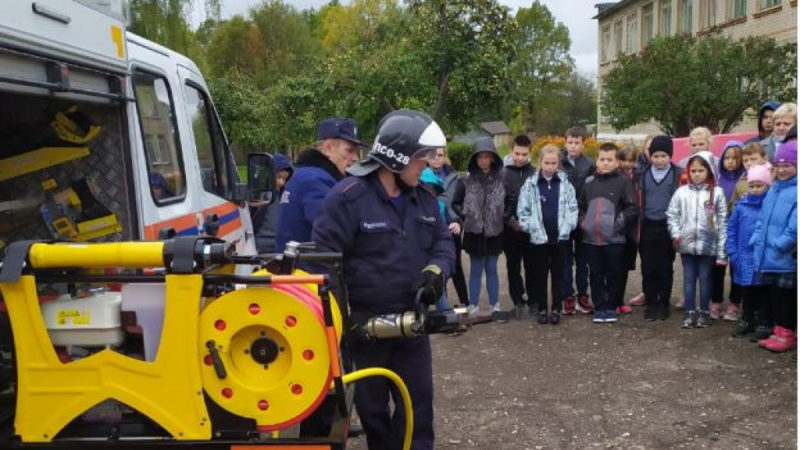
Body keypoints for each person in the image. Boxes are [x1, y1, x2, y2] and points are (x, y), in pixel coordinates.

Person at [312, 109, 455, 450]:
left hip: (411, 324)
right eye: (420, 159)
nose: (426, 166)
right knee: (372, 409)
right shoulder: (347, 199)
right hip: (365, 330)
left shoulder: (423, 198)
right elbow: (322, 262)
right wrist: (344, 319)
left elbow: (443, 244)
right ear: (398, 157)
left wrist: (436, 272)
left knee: (417, 408)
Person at [275, 117, 363, 252]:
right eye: (349, 150)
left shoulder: (305, 175)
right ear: (327, 148)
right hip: (308, 270)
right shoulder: (315, 181)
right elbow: (335, 232)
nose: (355, 158)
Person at [516, 144, 578, 325]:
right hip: (538, 239)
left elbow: (573, 208)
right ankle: (542, 307)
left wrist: (569, 225)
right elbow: (523, 210)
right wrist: (530, 226)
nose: (550, 166)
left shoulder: (565, 183)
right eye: (546, 163)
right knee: (540, 275)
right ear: (540, 162)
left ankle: (556, 308)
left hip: (560, 238)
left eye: (553, 163)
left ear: (557, 163)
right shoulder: (530, 184)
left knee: (558, 274)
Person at [667, 151, 727, 329]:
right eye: (693, 171)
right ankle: (690, 312)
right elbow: (672, 215)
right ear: (688, 172)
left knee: (706, 280)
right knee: (688, 280)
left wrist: (722, 250)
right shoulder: (681, 192)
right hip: (686, 246)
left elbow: (723, 221)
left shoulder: (717, 193)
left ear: (709, 171)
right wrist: (676, 235)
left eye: (701, 170)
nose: (697, 174)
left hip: (708, 247)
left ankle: (705, 313)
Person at [578, 142, 638, 324]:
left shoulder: (623, 182)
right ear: (597, 160)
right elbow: (580, 206)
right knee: (595, 274)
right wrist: (583, 222)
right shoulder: (588, 182)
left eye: (609, 159)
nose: (605, 163)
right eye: (602, 159)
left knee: (614, 274)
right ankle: (600, 307)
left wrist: (617, 223)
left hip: (614, 239)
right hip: (592, 239)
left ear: (616, 162)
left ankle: (611, 306)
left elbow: (633, 207)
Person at [752, 139, 797, 353]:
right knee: (774, 295)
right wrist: (757, 238)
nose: (782, 170)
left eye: (787, 165)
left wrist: (781, 245)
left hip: (784, 255)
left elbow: (794, 226)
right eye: (778, 166)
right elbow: (763, 217)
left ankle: (787, 333)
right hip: (768, 252)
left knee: (785, 296)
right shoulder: (774, 189)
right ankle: (778, 331)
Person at [452, 137, 505, 316]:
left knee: (492, 268)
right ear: (475, 159)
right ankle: (473, 304)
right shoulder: (465, 180)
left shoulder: (500, 179)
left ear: (492, 158)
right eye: (480, 157)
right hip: (474, 232)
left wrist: (502, 217)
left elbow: (510, 200)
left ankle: (495, 305)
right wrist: (467, 218)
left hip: (493, 231)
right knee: (475, 269)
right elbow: (455, 202)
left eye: (487, 157)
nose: (483, 160)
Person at [638, 136, 683, 321]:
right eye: (655, 155)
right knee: (648, 267)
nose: (659, 160)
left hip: (667, 226)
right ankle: (651, 304)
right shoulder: (642, 174)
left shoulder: (678, 174)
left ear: (670, 155)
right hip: (647, 225)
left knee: (665, 267)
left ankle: (663, 303)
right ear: (650, 156)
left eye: (663, 155)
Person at [727, 164, 771, 338]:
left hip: (762, 257)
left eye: (759, 186)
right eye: (751, 186)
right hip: (742, 256)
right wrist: (732, 251)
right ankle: (747, 319)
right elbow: (732, 230)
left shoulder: (768, 206)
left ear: (767, 186)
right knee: (747, 290)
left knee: (764, 291)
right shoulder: (740, 206)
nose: (754, 190)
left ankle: (765, 322)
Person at [561, 126, 595, 315]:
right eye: (570, 142)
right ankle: (567, 296)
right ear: (565, 143)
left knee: (583, 261)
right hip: (564, 220)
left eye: (577, 143)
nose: (573, 146)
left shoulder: (590, 164)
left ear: (583, 144)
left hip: (583, 218)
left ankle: (583, 295)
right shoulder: (558, 163)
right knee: (565, 260)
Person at [709, 141, 745, 321]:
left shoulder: (744, 179)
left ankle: (734, 303)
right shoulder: (717, 179)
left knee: (737, 267)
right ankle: (715, 301)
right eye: (727, 158)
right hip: (719, 229)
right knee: (717, 266)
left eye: (735, 158)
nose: (730, 162)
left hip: (739, 229)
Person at [501, 135, 536, 318]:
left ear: (530, 153)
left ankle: (533, 299)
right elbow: (498, 203)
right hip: (510, 229)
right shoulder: (503, 173)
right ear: (511, 151)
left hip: (530, 230)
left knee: (533, 266)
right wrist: (511, 221)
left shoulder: (535, 173)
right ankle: (517, 299)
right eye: (517, 153)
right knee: (513, 266)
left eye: (524, 154)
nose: (520, 157)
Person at [429, 147, 469, 306]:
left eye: (440, 155)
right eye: (433, 155)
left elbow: (462, 205)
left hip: (452, 229)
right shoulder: (421, 177)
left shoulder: (456, 178)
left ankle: (465, 303)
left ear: (445, 156)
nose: (437, 159)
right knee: (437, 268)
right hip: (432, 230)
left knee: (457, 268)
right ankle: (442, 308)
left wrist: (459, 222)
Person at [615, 146, 641, 315]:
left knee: (624, 267)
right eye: (623, 160)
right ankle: (610, 299)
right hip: (617, 226)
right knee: (613, 266)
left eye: (631, 160)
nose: (627, 164)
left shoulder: (639, 177)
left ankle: (620, 300)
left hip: (633, 227)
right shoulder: (615, 176)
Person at [251, 153, 293, 253]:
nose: (282, 182)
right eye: (279, 177)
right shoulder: (258, 195)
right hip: (261, 246)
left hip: (280, 246)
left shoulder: (284, 195)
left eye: (285, 179)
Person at [730, 142, 770, 206]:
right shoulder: (741, 182)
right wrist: (742, 202)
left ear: (764, 158)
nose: (749, 163)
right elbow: (733, 206)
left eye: (753, 159)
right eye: (745, 161)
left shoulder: (773, 177)